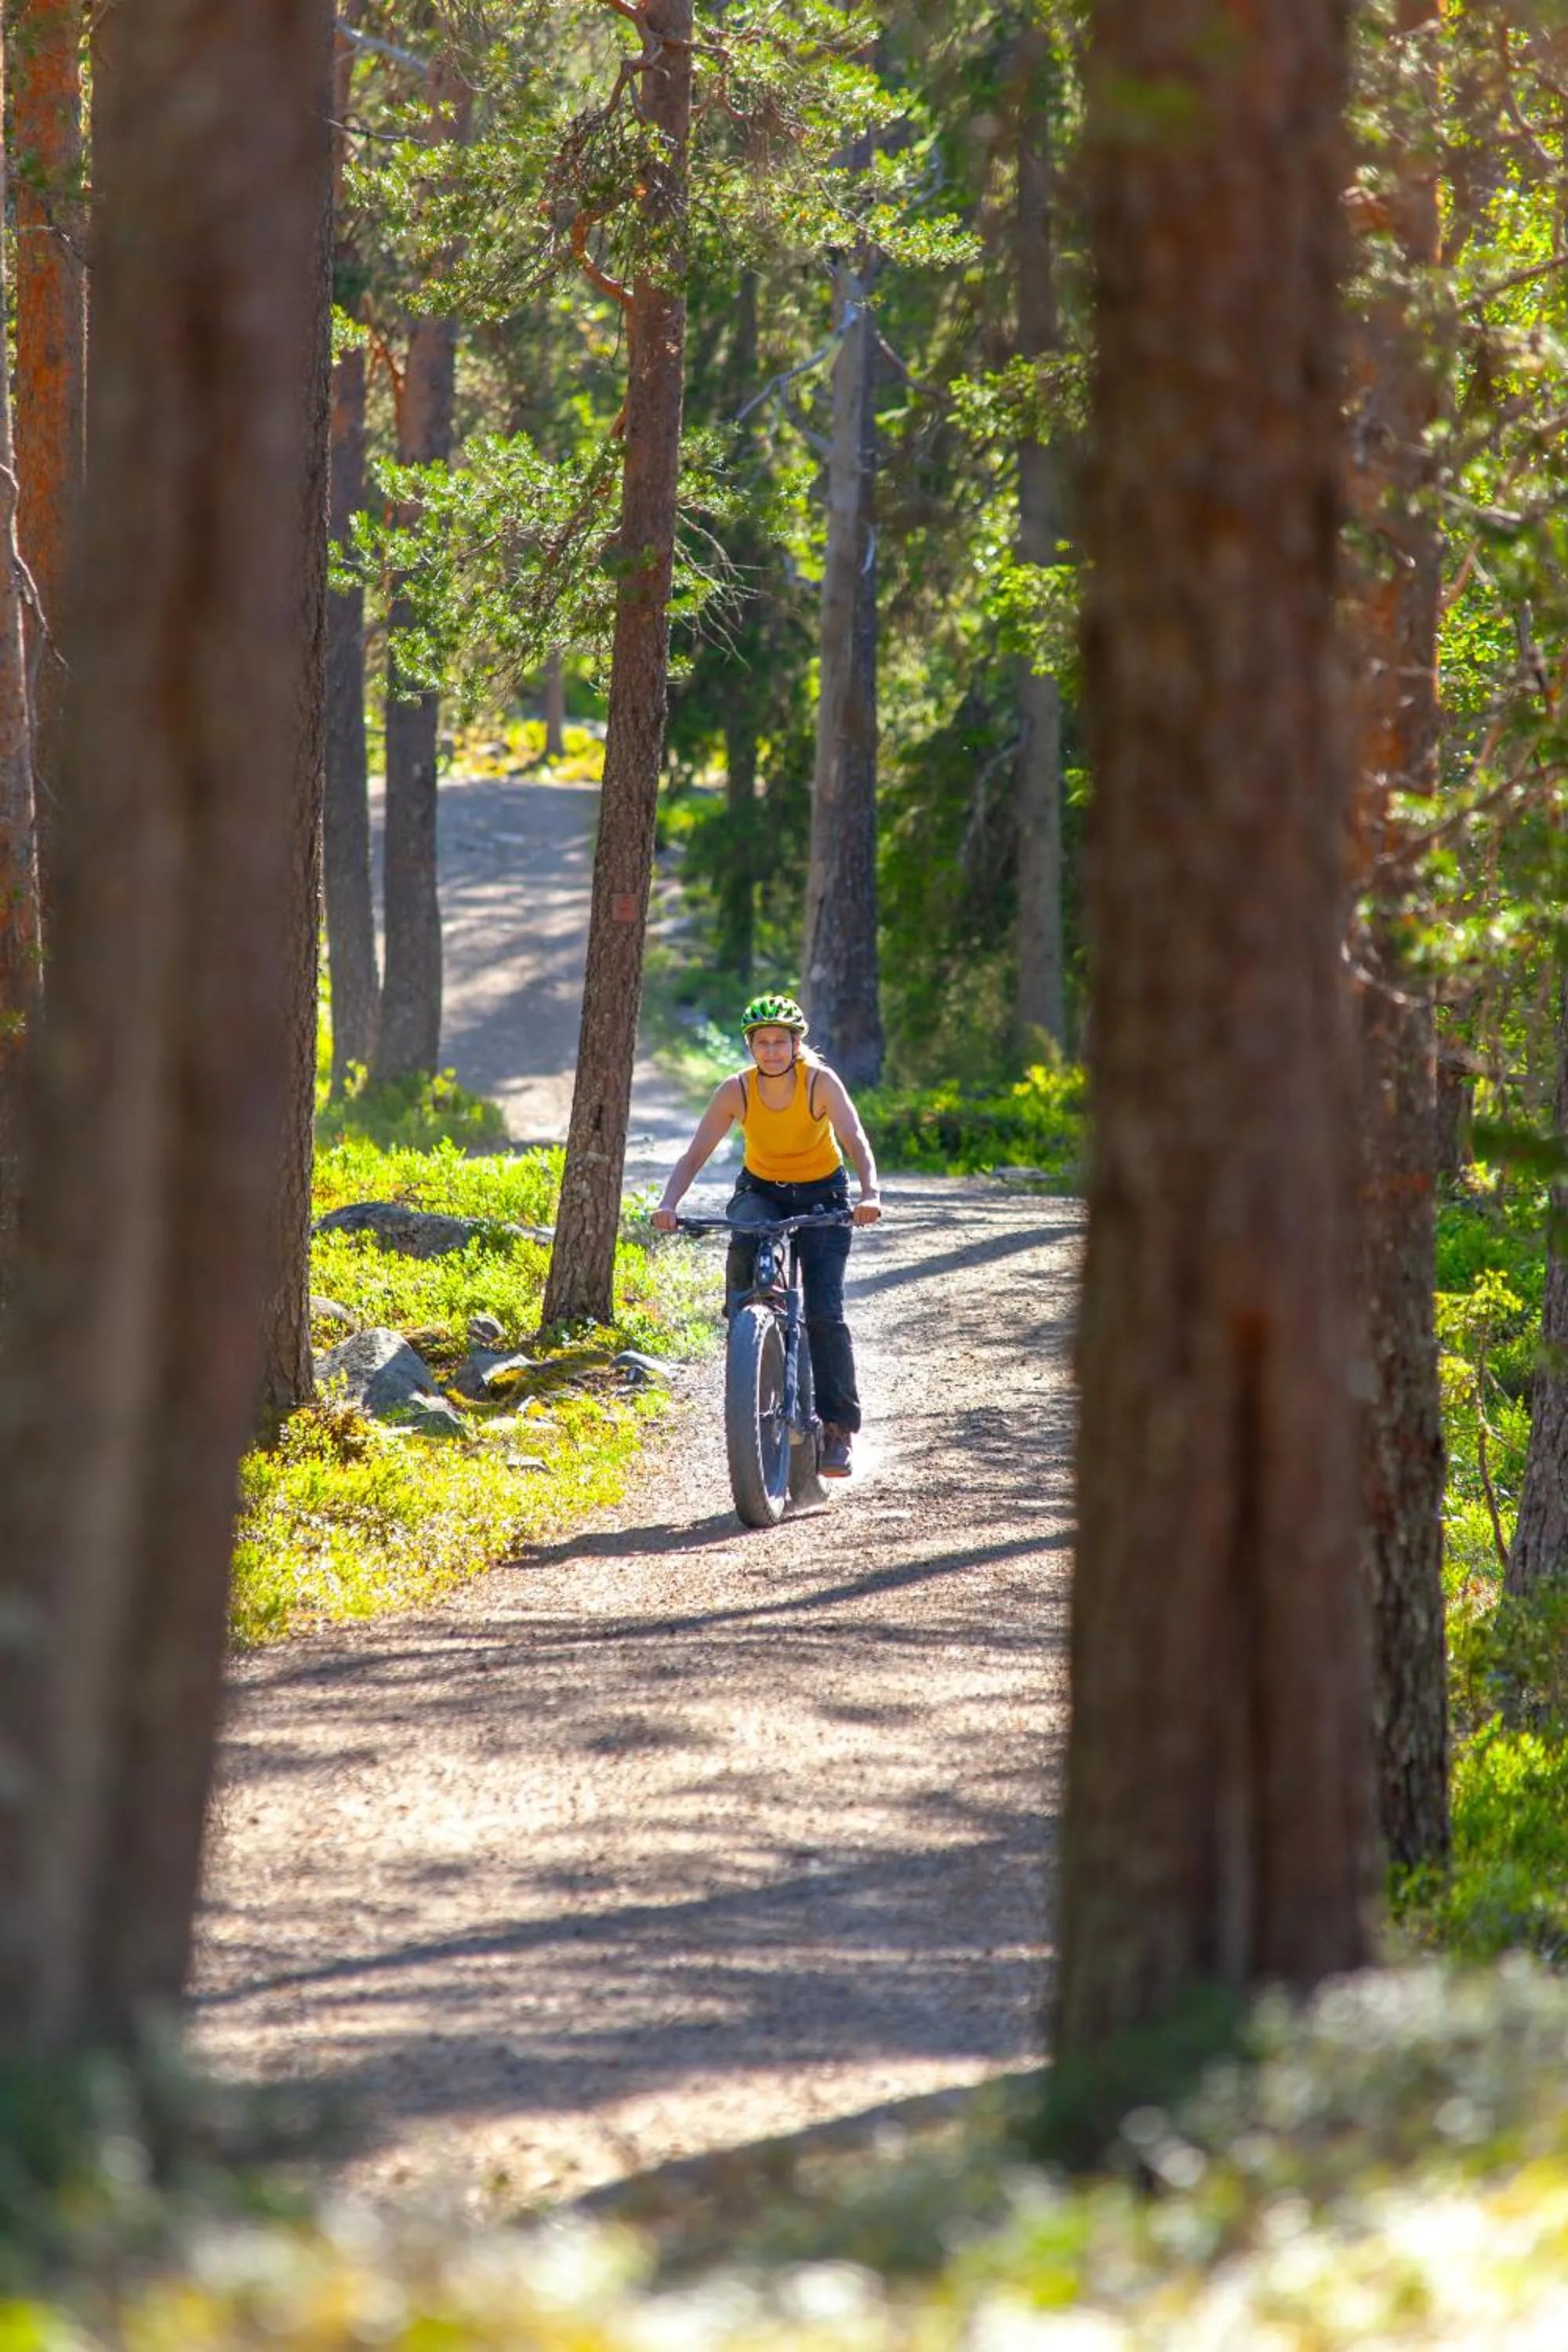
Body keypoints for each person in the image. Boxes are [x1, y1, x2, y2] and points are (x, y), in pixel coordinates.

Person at [652, 993, 882, 1477]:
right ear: (750, 1047)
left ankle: (837, 1431)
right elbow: (695, 1154)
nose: (772, 1051)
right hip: (763, 1189)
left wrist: (869, 1194)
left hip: (824, 1192)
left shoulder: (819, 1082)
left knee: (824, 1312)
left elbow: (854, 1139)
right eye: (763, 1042)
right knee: (748, 1229)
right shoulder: (736, 1090)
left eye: (781, 1041)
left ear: (796, 1045)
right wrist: (668, 1204)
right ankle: (747, 1321)